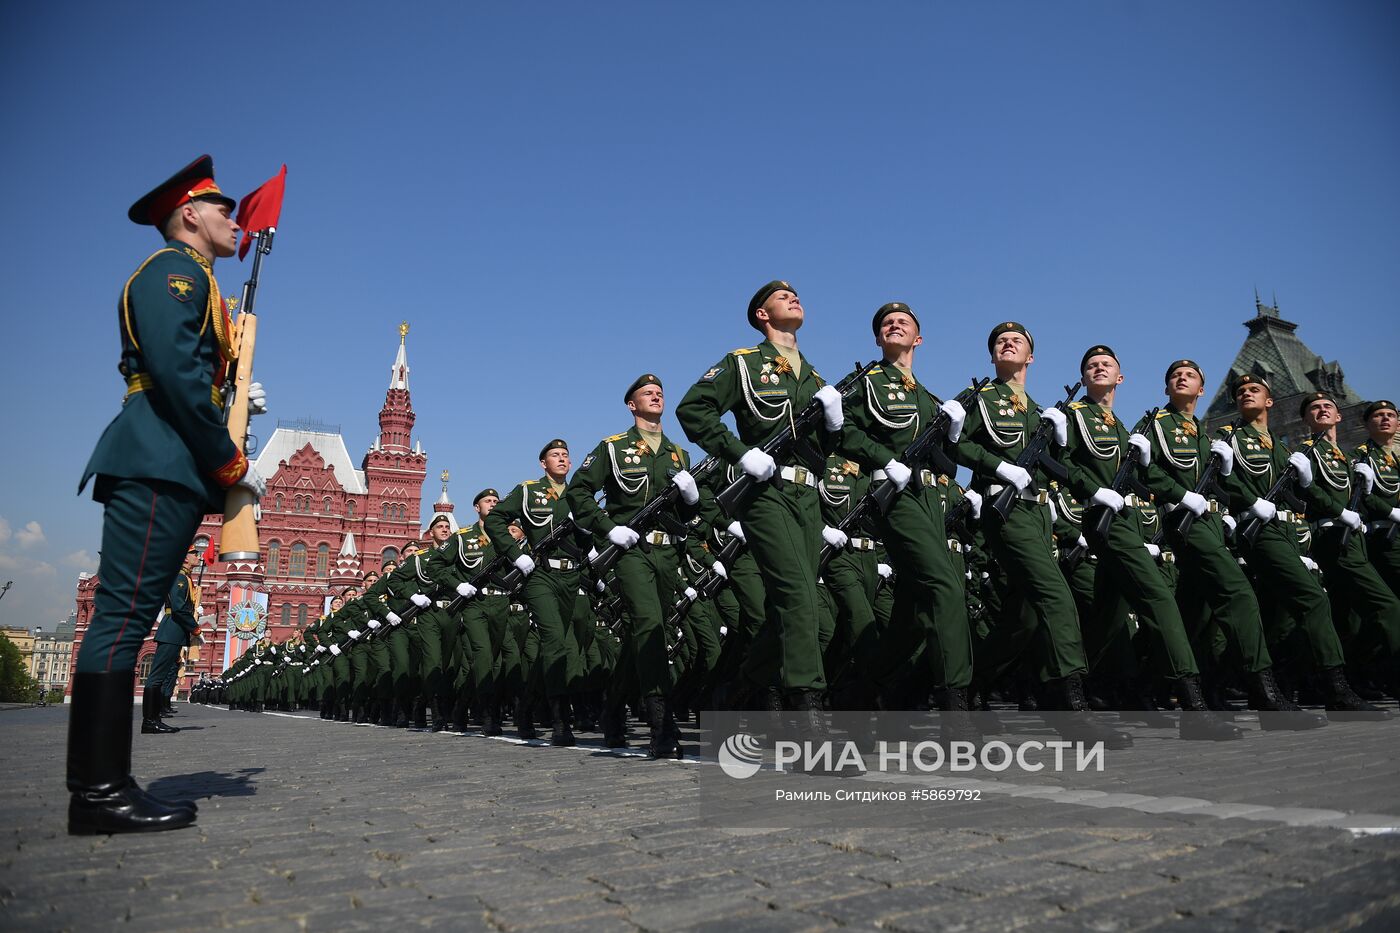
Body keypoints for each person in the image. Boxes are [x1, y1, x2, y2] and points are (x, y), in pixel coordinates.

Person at [70, 155, 268, 835]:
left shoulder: (200, 282)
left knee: (125, 619)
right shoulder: (175, 274)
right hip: (159, 458)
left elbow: (197, 375)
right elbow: (179, 379)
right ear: (190, 213)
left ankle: (104, 785)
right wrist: (228, 456)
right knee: (123, 619)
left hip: (168, 460)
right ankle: (98, 792)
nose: (234, 221)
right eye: (223, 209)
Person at [676, 281, 843, 721]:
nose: (793, 297)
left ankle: (743, 688)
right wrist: (740, 452)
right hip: (765, 495)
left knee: (792, 604)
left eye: (796, 294)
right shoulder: (744, 363)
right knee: (800, 597)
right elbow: (693, 408)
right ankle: (808, 712)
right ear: (762, 315)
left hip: (808, 497)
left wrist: (833, 422)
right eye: (780, 296)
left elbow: (826, 452)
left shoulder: (815, 377)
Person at [956, 323, 1129, 747]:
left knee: (1023, 617)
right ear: (993, 357)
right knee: (1055, 595)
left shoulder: (1039, 411)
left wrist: (1081, 473)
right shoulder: (980, 397)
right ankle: (1068, 703)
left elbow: (1061, 468)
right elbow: (952, 443)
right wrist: (996, 467)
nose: (1008, 343)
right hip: (1005, 508)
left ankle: (968, 686)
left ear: (1030, 357)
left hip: (1038, 513)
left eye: (1018, 341)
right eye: (999, 341)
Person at [835, 303, 974, 732]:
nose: (894, 326)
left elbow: (951, 460)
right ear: (878, 339)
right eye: (886, 324)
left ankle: (860, 690)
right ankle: (955, 704)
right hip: (895, 495)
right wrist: (881, 457)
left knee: (913, 611)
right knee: (945, 585)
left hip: (932, 498)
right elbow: (839, 431)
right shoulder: (866, 383)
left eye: (904, 324)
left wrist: (953, 434)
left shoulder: (928, 397)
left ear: (919, 339)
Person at [568, 374, 701, 758]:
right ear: (632, 404)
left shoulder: (679, 453)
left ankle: (612, 709)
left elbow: (689, 512)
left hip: (668, 553)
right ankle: (662, 725)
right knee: (650, 624)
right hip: (631, 553)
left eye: (659, 392)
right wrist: (609, 529)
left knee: (646, 634)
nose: (656, 395)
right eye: (647, 392)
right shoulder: (613, 448)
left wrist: (691, 499)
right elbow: (579, 491)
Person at [486, 439, 591, 744]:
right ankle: (560, 720)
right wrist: (515, 554)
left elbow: (590, 533)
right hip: (540, 575)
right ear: (543, 463)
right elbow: (495, 520)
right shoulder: (528, 490)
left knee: (553, 647)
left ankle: (525, 707)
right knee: (556, 642)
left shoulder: (578, 493)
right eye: (554, 455)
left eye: (565, 456)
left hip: (571, 576)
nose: (561, 459)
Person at [141, 545, 202, 735]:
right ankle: (150, 721)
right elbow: (178, 607)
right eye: (194, 554)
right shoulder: (180, 578)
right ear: (184, 557)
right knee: (157, 677)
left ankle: (154, 718)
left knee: (159, 676)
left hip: (174, 632)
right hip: (172, 631)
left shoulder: (185, 577)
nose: (197, 557)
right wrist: (195, 628)